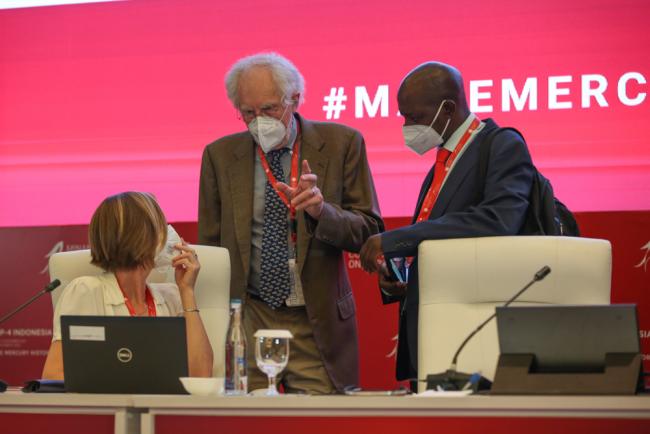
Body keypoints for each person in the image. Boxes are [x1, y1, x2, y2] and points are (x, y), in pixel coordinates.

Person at [198, 52, 383, 394]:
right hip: (249, 317)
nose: (258, 121)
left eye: (268, 109)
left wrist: (321, 212)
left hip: (315, 321)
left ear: (294, 99)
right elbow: (210, 247)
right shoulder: (219, 156)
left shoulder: (342, 143)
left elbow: (369, 231)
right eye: (248, 112)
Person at [359, 62, 535, 383]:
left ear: (448, 108)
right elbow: (445, 242)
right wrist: (404, 278)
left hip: (475, 334)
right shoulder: (445, 160)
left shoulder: (501, 145)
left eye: (415, 118)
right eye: (403, 117)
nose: (407, 127)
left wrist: (396, 239)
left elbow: (498, 221)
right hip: (434, 326)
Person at [42, 191, 213, 379]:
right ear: (141, 236)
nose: (170, 234)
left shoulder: (172, 296)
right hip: (108, 408)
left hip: (165, 408)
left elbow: (201, 375)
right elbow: (55, 374)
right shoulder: (86, 291)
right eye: (161, 226)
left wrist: (186, 290)